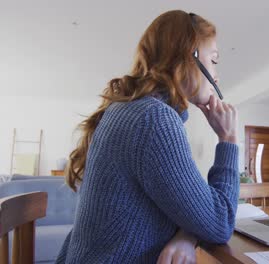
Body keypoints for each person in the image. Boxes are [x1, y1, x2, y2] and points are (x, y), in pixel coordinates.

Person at [56, 10, 239, 264]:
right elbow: (220, 223)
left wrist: (187, 234)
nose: (216, 75)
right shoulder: (154, 121)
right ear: (189, 56)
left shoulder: (131, 110)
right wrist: (228, 139)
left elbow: (188, 207)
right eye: (214, 60)